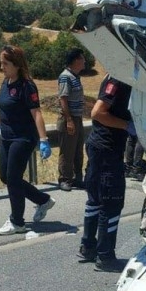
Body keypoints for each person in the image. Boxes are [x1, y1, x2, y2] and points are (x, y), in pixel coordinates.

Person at [0, 45, 55, 236]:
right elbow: (6, 108)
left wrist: (43, 139)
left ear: (17, 65)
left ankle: (17, 221)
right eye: (1, 63)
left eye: (5, 63)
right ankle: (42, 200)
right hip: (7, 136)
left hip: (23, 137)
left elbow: (36, 113)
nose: (2, 67)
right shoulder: (6, 82)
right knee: (5, 177)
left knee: (13, 179)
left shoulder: (27, 86)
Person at [79, 74, 134, 271]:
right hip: (107, 149)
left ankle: (88, 246)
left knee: (95, 198)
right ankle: (106, 256)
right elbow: (98, 112)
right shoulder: (120, 79)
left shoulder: (113, 75)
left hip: (98, 147)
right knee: (111, 202)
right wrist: (127, 126)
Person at [57, 48, 86, 191]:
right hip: (70, 117)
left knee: (78, 149)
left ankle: (76, 178)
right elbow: (63, 99)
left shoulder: (75, 77)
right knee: (67, 150)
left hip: (77, 117)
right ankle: (65, 179)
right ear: (75, 60)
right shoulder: (65, 76)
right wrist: (69, 120)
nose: (84, 61)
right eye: (82, 58)